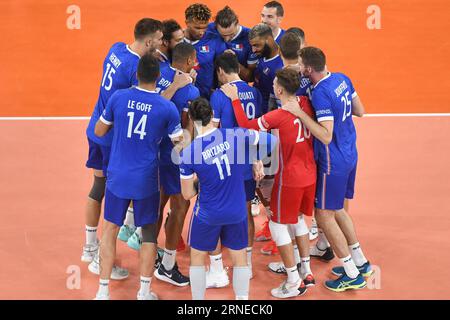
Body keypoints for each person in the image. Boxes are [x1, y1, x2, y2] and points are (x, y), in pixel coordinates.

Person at [93, 53, 183, 300]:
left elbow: (100, 130)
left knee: (110, 229)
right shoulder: (168, 108)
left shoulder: (119, 98)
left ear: (136, 75)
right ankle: (144, 292)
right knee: (148, 233)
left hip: (117, 175)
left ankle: (102, 292)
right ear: (157, 77)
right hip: (146, 180)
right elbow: (179, 145)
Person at [282, 46, 373, 292]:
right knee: (338, 210)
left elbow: (325, 134)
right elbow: (360, 111)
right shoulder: (342, 78)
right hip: (350, 152)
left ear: (309, 69)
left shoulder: (321, 93)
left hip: (333, 160)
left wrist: (299, 112)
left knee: (323, 215)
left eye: (301, 66)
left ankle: (352, 274)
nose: (299, 69)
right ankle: (360, 261)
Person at [222, 67, 315, 298]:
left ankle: (294, 281)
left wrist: (235, 100)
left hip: (290, 180)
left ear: (280, 89)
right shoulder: (304, 103)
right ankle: (307, 271)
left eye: (274, 83)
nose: (272, 86)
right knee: (299, 221)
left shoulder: (278, 116)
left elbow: (245, 126)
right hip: (309, 174)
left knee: (277, 224)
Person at [83, 18, 163, 279]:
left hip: (95, 127)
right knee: (115, 195)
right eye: (159, 40)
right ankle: (98, 261)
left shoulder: (116, 48)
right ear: (150, 41)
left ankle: (89, 246)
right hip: (110, 141)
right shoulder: (134, 69)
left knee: (98, 187)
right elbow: (146, 101)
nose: (162, 44)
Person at [179, 97, 277, 300]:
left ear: (192, 119)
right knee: (239, 258)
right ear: (212, 116)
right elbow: (272, 142)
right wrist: (254, 158)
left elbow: (187, 194)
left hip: (208, 213)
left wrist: (204, 180)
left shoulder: (189, 153)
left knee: (197, 257)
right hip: (237, 210)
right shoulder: (236, 135)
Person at [206, 52, 262, 287]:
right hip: (247, 159)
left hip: (225, 163)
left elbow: (212, 132)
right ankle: (246, 264)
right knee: (246, 211)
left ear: (220, 71)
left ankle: (217, 267)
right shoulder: (255, 92)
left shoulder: (219, 96)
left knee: (216, 211)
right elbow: (256, 127)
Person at [153, 42, 201, 287]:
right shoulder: (190, 92)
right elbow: (185, 128)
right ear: (191, 61)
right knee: (181, 205)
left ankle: (149, 254)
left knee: (157, 204)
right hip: (175, 155)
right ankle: (168, 265)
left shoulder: (159, 72)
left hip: (154, 151)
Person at [183, 3, 227, 98]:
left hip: (207, 97)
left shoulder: (215, 40)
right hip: (182, 96)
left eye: (205, 27)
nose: (201, 32)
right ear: (187, 22)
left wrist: (219, 91)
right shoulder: (176, 40)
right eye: (197, 28)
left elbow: (222, 69)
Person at [207, 6, 257, 82]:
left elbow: (251, 77)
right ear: (215, 26)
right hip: (212, 89)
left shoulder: (250, 37)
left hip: (236, 89)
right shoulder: (209, 29)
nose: (227, 39)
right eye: (223, 35)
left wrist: (233, 62)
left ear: (237, 24)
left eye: (231, 34)